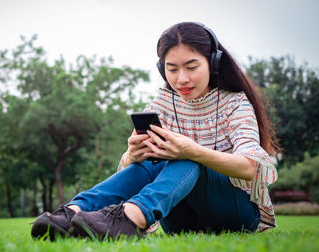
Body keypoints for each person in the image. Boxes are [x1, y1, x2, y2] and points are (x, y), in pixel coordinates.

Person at [30, 22, 280, 241]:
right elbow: (138, 170)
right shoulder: (161, 103)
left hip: (235, 214)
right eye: (172, 69)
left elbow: (251, 168)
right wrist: (132, 155)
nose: (181, 78)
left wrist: (194, 151)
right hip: (180, 220)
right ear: (163, 69)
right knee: (155, 156)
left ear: (212, 63)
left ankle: (130, 217)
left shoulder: (235, 103)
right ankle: (73, 213)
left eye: (191, 67)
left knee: (188, 156)